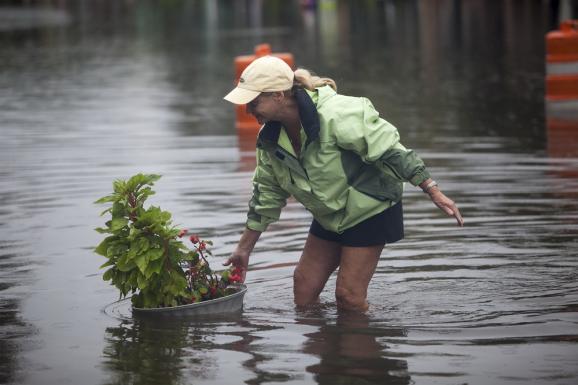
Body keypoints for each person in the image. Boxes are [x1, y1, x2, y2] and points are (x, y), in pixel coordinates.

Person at [223, 56, 463, 312]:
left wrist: (432, 189)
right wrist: (243, 249)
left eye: (254, 102)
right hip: (330, 212)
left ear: (279, 95)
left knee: (348, 296)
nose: (248, 110)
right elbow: (266, 195)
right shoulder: (269, 138)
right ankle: (328, 345)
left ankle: (361, 343)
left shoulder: (337, 113)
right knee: (303, 289)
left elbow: (390, 151)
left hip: (371, 208)